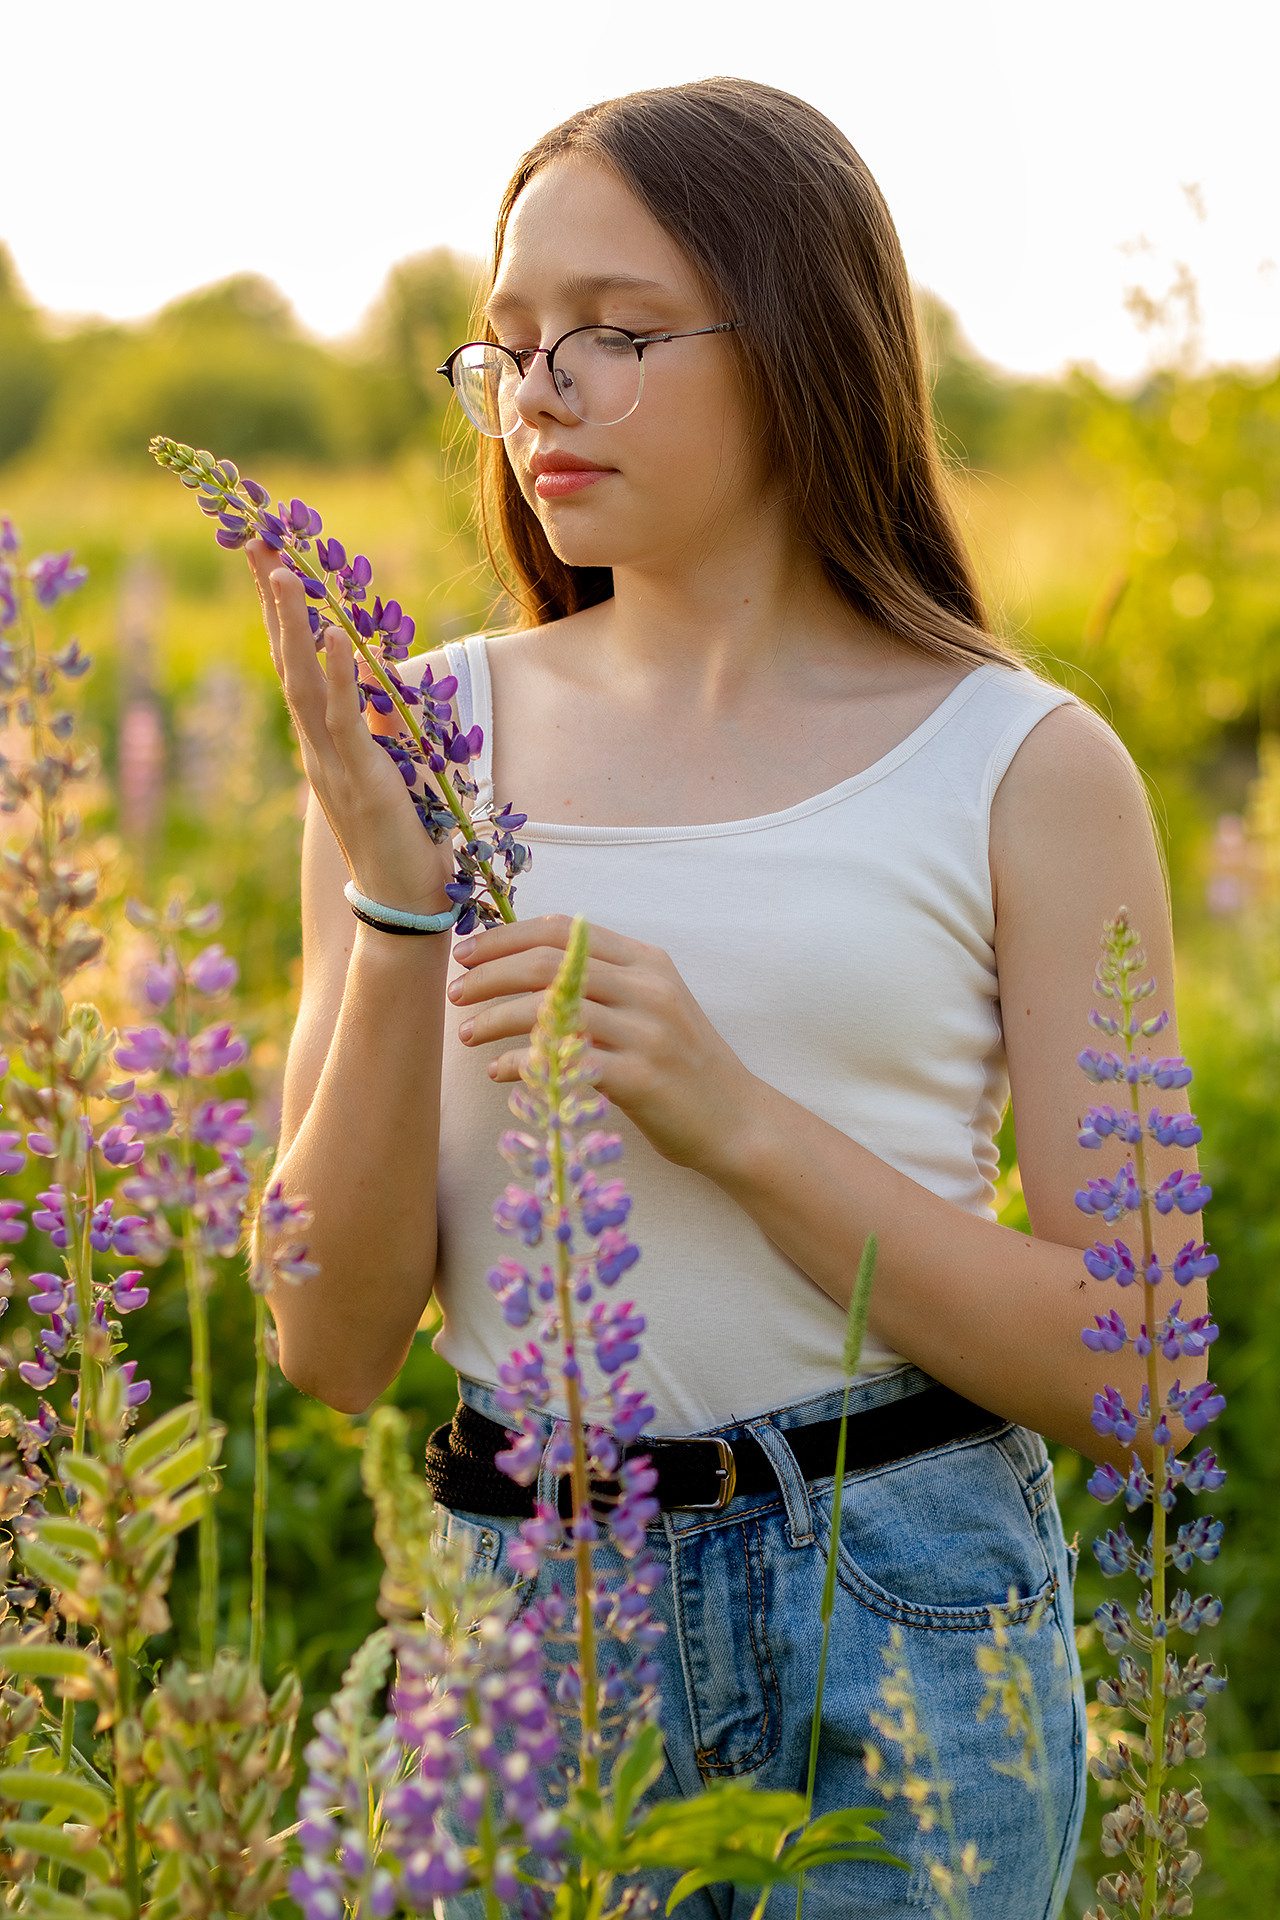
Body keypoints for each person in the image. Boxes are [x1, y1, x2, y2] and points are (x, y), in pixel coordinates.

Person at [249, 78, 1205, 1920]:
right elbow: (331, 1342)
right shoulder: (421, 735)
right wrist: (392, 897)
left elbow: (1141, 1369)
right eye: (508, 345)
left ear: (800, 339)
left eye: (610, 333)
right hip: (522, 1632)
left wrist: (739, 1123)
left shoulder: (1024, 764)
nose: (538, 392)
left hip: (905, 1610)